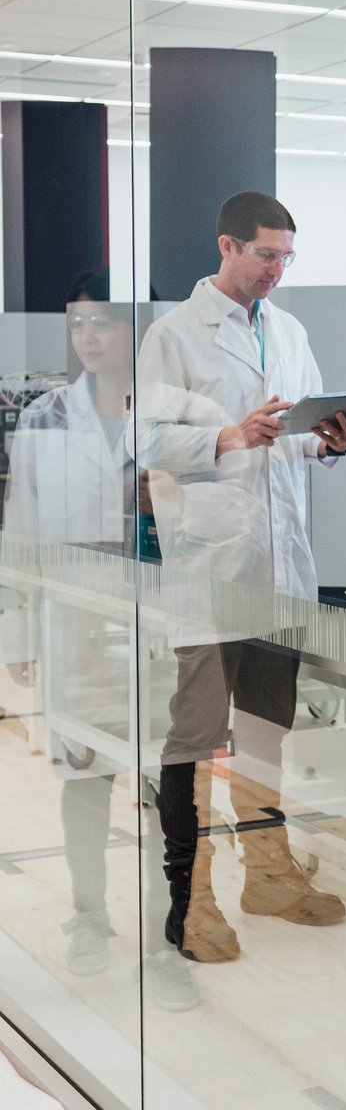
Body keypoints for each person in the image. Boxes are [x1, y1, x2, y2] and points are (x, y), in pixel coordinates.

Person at [133, 191, 346, 968]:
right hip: (211, 568)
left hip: (279, 565)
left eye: (287, 257)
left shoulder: (289, 332)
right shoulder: (174, 335)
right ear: (227, 246)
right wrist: (229, 436)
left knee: (266, 733)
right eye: (266, 254)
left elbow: (295, 440)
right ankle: (192, 900)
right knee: (197, 741)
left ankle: (269, 875)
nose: (277, 270)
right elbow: (146, 442)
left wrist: (330, 442)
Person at [2, 271, 143, 977]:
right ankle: (89, 917)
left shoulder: (169, 414)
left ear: (133, 330)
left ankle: (171, 930)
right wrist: (18, 635)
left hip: (156, 626)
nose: (88, 336)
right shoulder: (44, 419)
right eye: (77, 323)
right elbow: (21, 534)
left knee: (169, 787)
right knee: (84, 774)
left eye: (103, 322)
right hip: (78, 625)